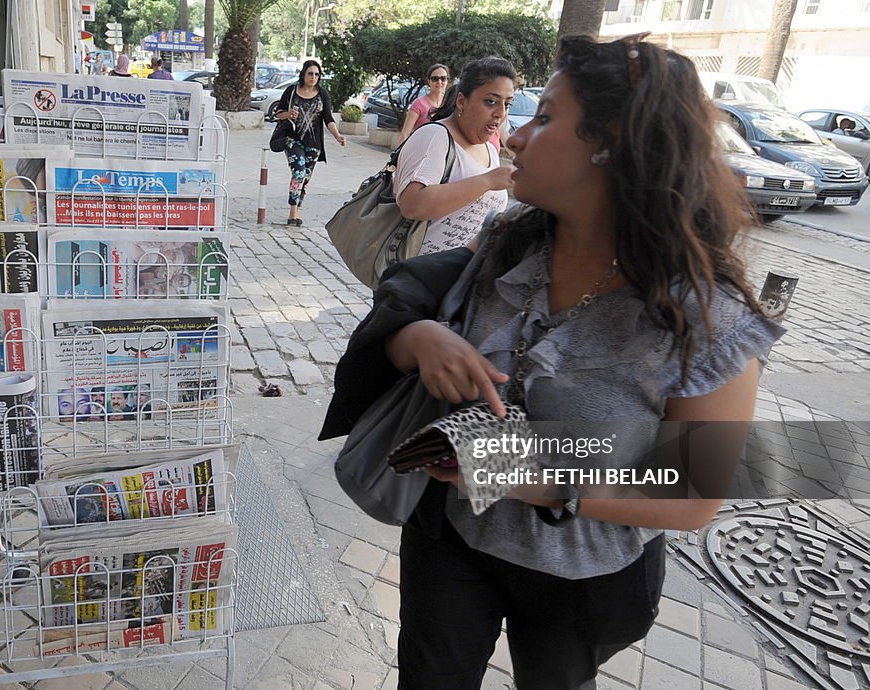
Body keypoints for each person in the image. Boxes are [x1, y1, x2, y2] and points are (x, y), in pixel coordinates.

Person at [320, 33, 784, 689]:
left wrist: (509, 467)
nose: (513, 137)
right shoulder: (509, 243)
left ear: (610, 141)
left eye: (544, 118)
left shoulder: (712, 318)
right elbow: (404, 313)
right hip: (451, 540)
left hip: (584, 575)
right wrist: (417, 338)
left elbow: (692, 491)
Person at [394, 56, 516, 255]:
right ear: (462, 101)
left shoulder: (490, 150)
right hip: (419, 278)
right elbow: (411, 205)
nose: (500, 113)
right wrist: (487, 181)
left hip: (462, 278)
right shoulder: (435, 136)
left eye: (507, 104)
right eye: (491, 101)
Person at [274, 59, 346, 227]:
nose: (313, 77)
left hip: (314, 145)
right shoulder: (292, 91)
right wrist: (288, 114)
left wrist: (337, 136)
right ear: (304, 74)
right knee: (298, 172)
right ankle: (293, 213)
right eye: (310, 73)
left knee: (305, 178)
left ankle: (297, 208)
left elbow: (328, 118)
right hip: (293, 140)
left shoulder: (322, 94)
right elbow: (278, 113)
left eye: (316, 74)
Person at [398, 64, 451, 144]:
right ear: (429, 81)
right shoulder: (419, 104)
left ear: (447, 81)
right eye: (435, 79)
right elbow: (405, 133)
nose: (439, 82)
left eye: (443, 78)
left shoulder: (448, 104)